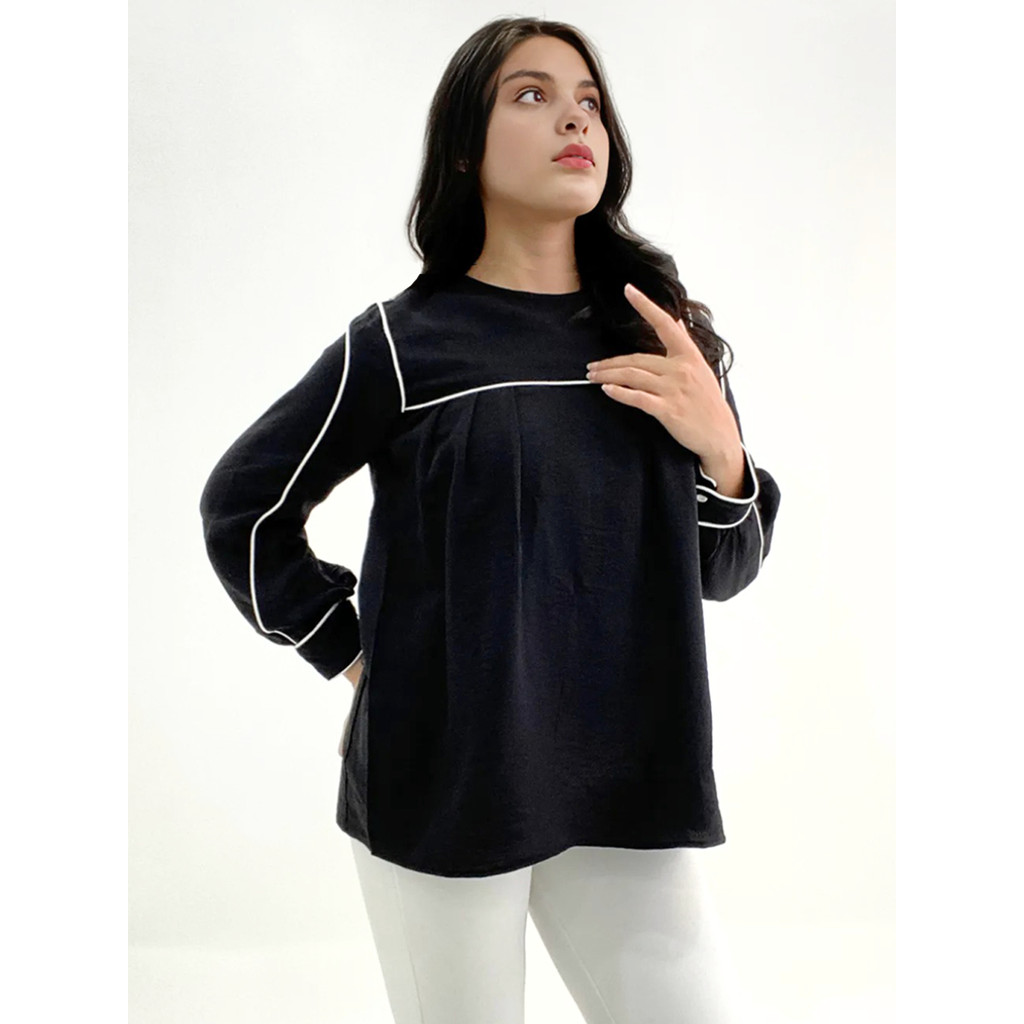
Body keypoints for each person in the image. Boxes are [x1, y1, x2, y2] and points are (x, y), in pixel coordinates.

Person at [198, 15, 781, 1024]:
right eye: (532, 95)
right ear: (467, 146)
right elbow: (242, 508)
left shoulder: (663, 337)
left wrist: (721, 447)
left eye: (589, 102)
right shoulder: (400, 346)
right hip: (446, 778)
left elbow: (723, 572)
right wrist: (355, 656)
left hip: (626, 775)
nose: (575, 120)